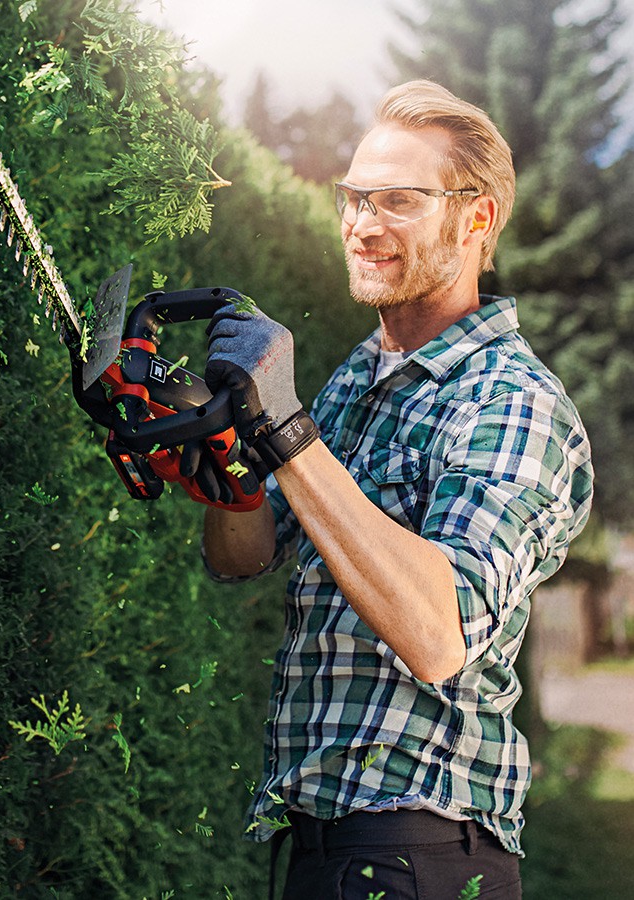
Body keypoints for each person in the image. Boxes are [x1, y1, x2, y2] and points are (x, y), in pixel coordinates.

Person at [199, 80, 594, 900]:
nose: (362, 224)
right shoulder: (357, 380)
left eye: (398, 201)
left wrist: (286, 431)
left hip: (421, 848)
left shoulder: (514, 401)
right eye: (354, 198)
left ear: (476, 219)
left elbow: (439, 633)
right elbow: (248, 552)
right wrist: (217, 454)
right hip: (318, 843)